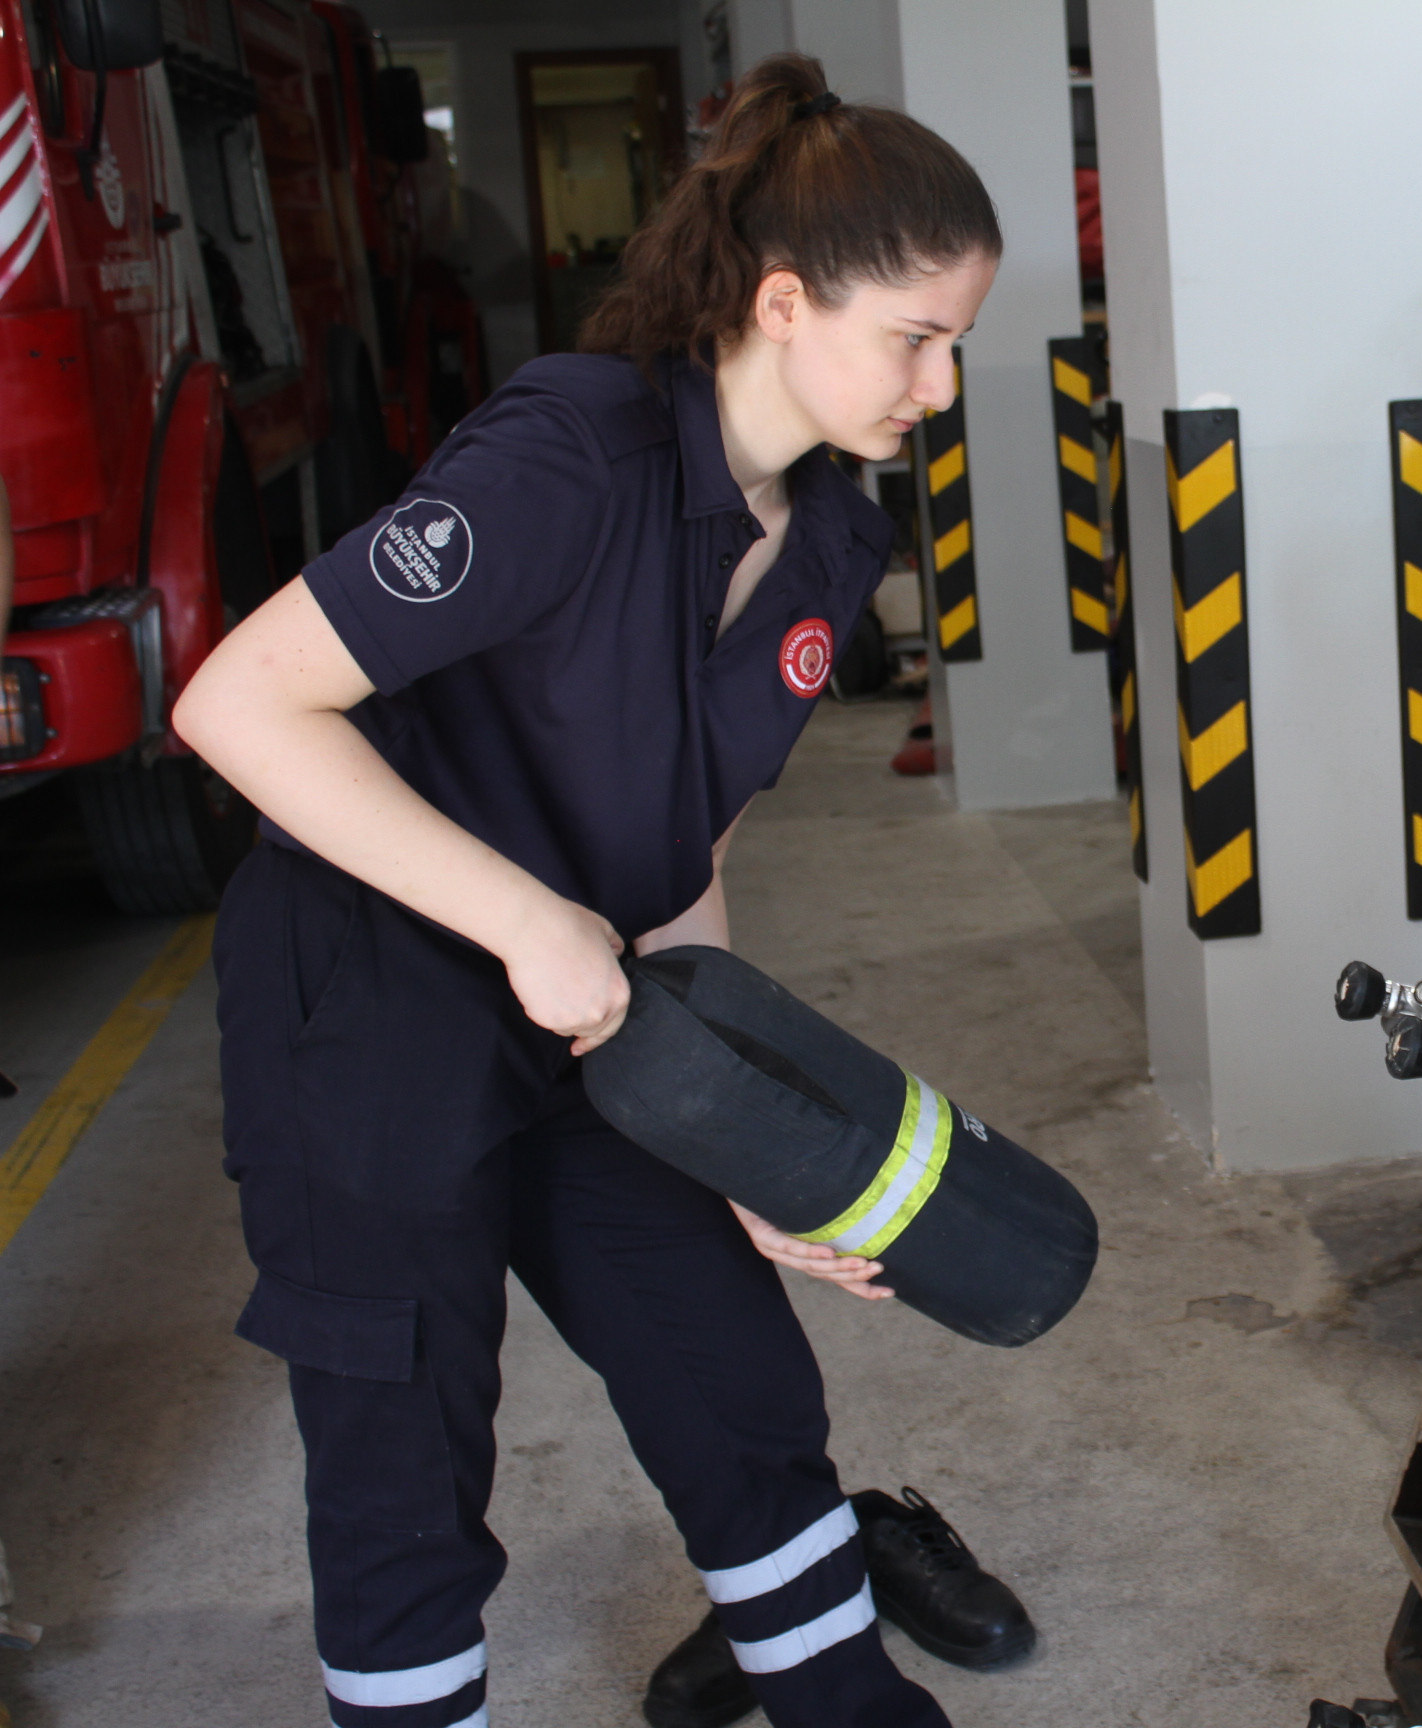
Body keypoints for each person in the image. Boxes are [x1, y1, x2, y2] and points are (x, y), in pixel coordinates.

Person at [177, 55, 1028, 1728]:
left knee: (730, 1373)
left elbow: (683, 842)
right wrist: (524, 922)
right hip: (375, 998)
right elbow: (236, 701)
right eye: (916, 336)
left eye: (958, 345)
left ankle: (849, 1703)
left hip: (597, 1009)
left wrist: (734, 1141)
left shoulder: (840, 541)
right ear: (785, 300)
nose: (939, 384)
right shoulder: (572, 450)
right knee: (406, 1448)